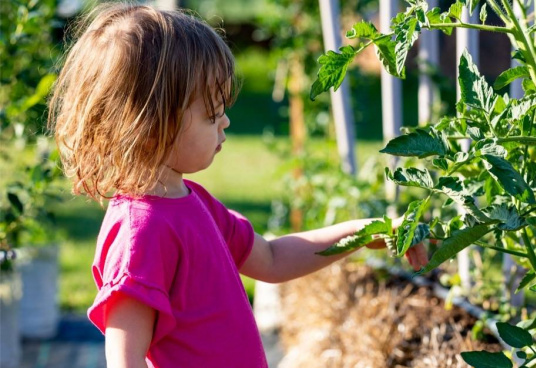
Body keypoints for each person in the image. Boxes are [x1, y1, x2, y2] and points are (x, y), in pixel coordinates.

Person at [48, 3, 428, 368]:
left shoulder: (194, 202)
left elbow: (273, 259)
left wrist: (361, 233)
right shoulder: (140, 233)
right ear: (150, 126)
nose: (225, 122)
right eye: (212, 113)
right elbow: (124, 359)